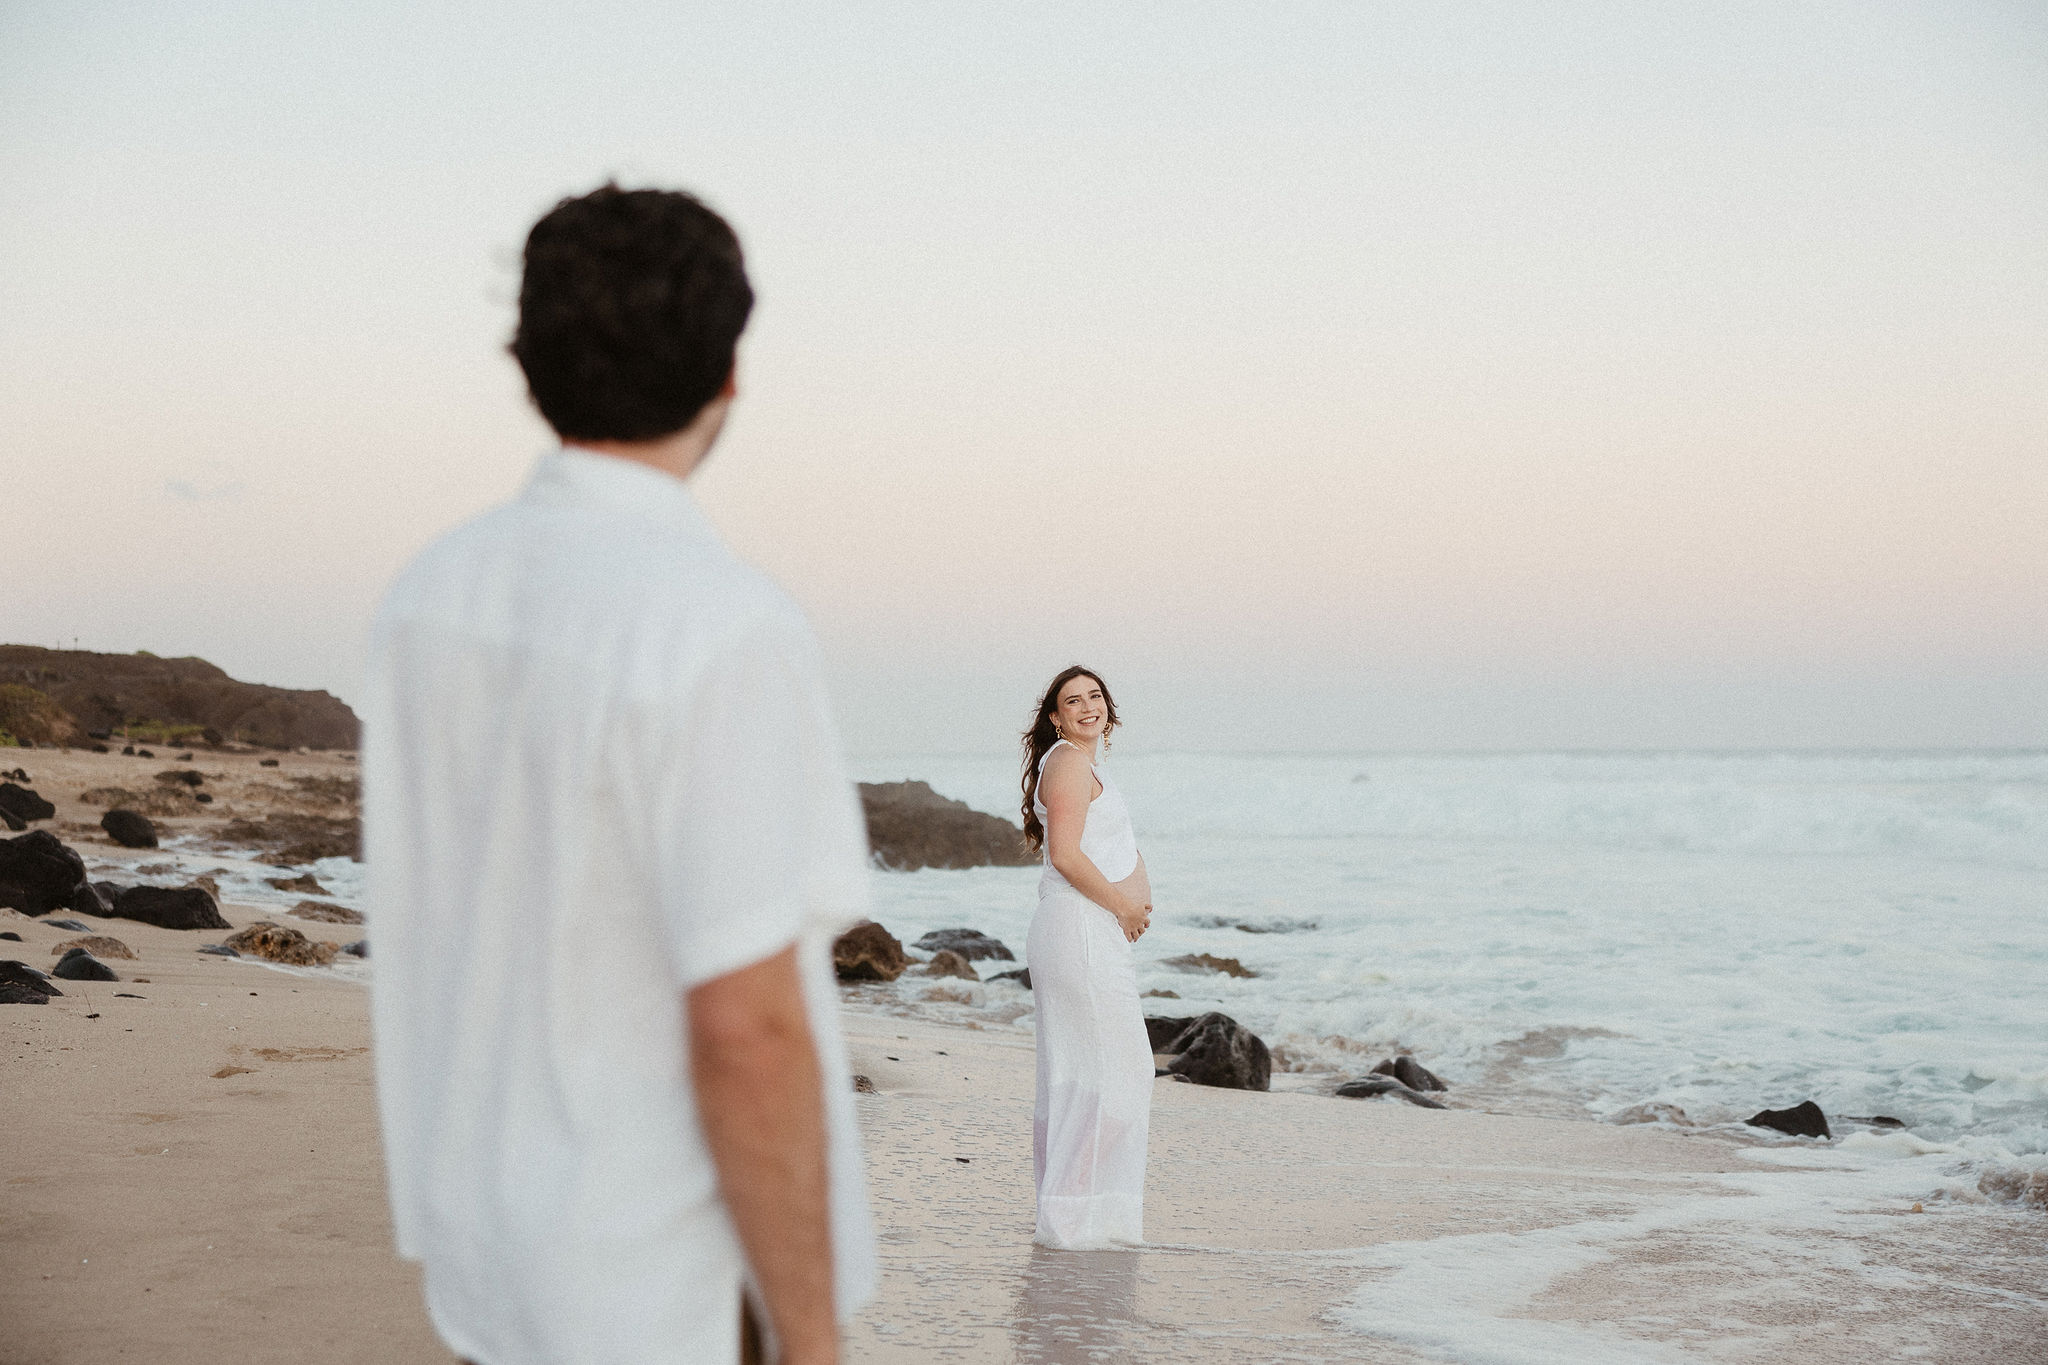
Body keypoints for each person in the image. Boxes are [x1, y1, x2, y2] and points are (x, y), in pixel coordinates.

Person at [362, 184, 875, 1365]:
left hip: (490, 1249)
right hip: (657, 1274)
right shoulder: (720, 624)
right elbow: (745, 1026)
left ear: (526, 362)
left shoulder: (430, 596)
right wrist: (810, 1340)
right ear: (728, 372)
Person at [1019, 665, 1153, 1249]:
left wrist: (1132, 899)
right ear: (1056, 717)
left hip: (1087, 929)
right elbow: (1066, 856)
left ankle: (1078, 1213)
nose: (1087, 706)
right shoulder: (1070, 763)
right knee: (1119, 1072)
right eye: (1072, 701)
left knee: (1085, 1072)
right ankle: (1072, 1212)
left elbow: (1108, 846)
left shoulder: (1084, 766)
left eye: (1095, 695)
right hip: (1080, 927)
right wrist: (1124, 906)